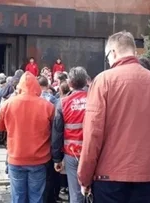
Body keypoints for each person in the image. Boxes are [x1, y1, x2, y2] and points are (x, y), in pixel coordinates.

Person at [78, 31, 150, 203]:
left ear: (113, 52)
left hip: (109, 176)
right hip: (147, 174)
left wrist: (84, 176)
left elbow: (93, 134)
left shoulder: (103, 81)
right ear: (134, 52)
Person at [0, 72, 55, 203]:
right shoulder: (47, 106)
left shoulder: (8, 104)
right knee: (37, 197)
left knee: (18, 197)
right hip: (39, 159)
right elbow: (54, 129)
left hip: (16, 157)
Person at [53, 67, 89, 203]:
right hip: (93, 153)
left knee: (75, 195)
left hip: (72, 153)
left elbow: (57, 132)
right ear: (86, 81)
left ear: (70, 83)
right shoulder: (95, 99)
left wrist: (57, 158)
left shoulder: (63, 103)